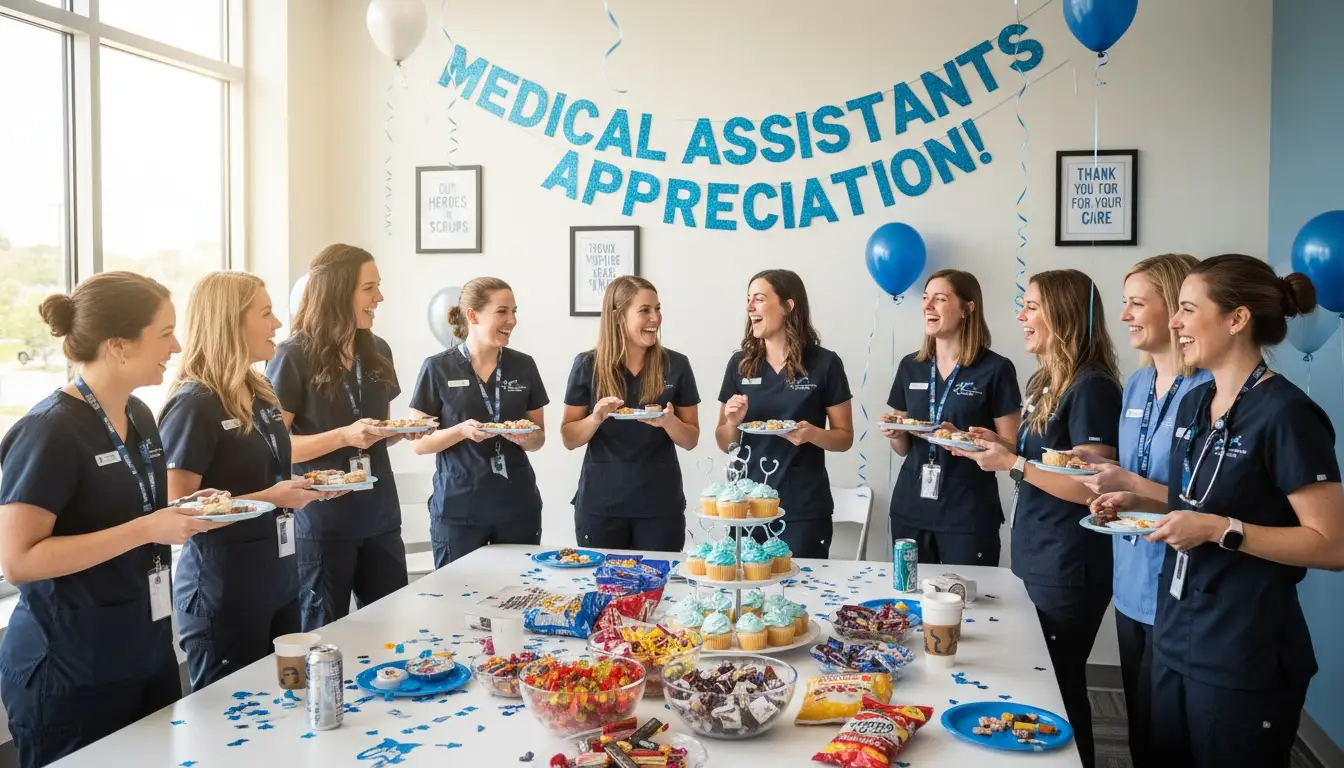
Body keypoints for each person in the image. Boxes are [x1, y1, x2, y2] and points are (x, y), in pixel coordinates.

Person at [1091, 255, 1344, 767]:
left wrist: (1221, 531)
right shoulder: (1196, 401)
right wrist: (1137, 501)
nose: (1176, 323)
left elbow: (1332, 544)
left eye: (1187, 309)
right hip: (1177, 629)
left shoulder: (1287, 415)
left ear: (1237, 319)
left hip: (1242, 647)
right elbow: (1196, 499)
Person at [0, 272, 218, 767]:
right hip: (71, 670)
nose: (178, 345)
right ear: (118, 346)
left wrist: (183, 510)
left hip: (143, 650)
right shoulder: (47, 432)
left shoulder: (140, 415)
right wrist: (146, 528)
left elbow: (138, 509)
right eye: (165, 333)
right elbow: (18, 561)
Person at [952, 269, 1122, 768]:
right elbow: (1048, 461)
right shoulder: (1047, 380)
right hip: (1038, 554)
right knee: (1045, 685)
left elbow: (1092, 483)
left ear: (1064, 315)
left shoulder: (1091, 388)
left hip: (1069, 565)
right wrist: (1000, 446)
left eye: (1032, 307)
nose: (1021, 316)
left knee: (1060, 689)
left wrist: (1015, 464)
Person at [160, 272, 343, 691]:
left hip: (279, 578)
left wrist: (304, 489)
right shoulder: (194, 403)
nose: (278, 323)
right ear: (230, 322)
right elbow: (177, 508)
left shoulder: (259, 392)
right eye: (265, 313)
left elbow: (272, 474)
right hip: (225, 590)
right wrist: (272, 496)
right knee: (233, 722)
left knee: (287, 704)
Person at [1065, 254, 1208, 767]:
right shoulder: (1136, 386)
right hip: (1129, 578)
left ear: (1174, 309)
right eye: (1123, 303)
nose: (1123, 315)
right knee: (1138, 730)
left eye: (1135, 303)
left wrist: (1131, 481)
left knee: (1175, 738)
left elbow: (1214, 498)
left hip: (1185, 588)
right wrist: (1110, 489)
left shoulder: (1211, 391)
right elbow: (1136, 478)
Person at [266, 244, 424, 629]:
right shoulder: (292, 355)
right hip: (323, 523)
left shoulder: (378, 350)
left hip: (381, 517)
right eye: (369, 288)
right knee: (324, 636)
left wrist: (397, 433)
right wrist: (343, 436)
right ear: (338, 290)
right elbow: (274, 449)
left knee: (388, 629)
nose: (379, 298)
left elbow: (376, 434)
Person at [884, 269, 1021, 566]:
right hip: (911, 509)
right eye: (925, 298)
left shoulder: (996, 369)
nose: (928, 306)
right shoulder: (911, 366)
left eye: (940, 298)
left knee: (971, 605)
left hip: (967, 513)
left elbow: (1011, 448)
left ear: (967, 309)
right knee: (909, 602)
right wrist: (896, 435)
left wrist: (964, 438)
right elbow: (904, 447)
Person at [408, 277, 548, 566]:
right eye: (502, 311)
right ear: (473, 315)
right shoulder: (437, 367)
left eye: (514, 311)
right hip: (459, 509)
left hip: (517, 507)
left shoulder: (524, 365)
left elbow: (539, 438)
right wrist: (460, 431)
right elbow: (419, 444)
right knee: (456, 600)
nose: (512, 320)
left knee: (515, 596)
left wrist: (525, 436)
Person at [715, 269, 853, 559]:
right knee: (748, 594)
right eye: (748, 299)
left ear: (789, 306)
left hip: (803, 507)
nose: (749, 307)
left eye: (760, 299)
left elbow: (844, 438)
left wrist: (812, 434)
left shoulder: (825, 363)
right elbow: (723, 440)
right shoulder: (739, 364)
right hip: (747, 504)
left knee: (802, 593)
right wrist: (731, 422)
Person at [561, 276, 700, 551]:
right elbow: (569, 438)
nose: (655, 318)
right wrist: (596, 417)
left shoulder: (676, 365)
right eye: (645, 310)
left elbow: (691, 439)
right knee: (606, 591)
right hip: (601, 506)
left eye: (657, 308)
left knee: (658, 590)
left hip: (659, 506)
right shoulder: (587, 365)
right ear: (617, 316)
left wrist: (670, 422)